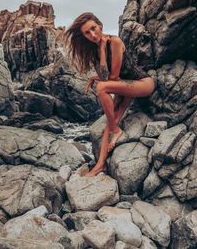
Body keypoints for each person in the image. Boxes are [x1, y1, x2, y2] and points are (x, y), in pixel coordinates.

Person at [65, 12, 155, 177]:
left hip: (142, 83)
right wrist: (98, 62)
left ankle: (116, 131)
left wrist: (102, 52)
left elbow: (111, 79)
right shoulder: (95, 50)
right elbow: (106, 76)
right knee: (110, 119)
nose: (92, 34)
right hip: (125, 87)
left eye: (93, 28)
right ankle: (100, 165)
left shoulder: (114, 41)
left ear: (100, 25)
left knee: (101, 89)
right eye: (87, 33)